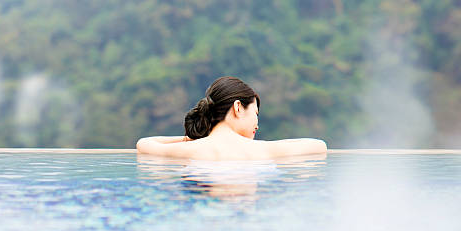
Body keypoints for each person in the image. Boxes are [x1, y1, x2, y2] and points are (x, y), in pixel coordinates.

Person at [136, 76, 327, 160]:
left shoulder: (189, 150)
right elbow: (319, 146)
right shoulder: (263, 150)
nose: (257, 125)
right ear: (238, 107)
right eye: (255, 114)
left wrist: (192, 139)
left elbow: (144, 143)